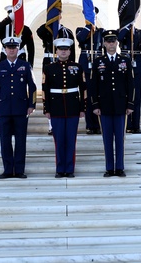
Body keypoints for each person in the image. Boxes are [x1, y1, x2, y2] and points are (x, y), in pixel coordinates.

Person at [89, 29, 134, 177]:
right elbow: (93, 85)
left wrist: (130, 104)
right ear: (104, 43)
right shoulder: (98, 62)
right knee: (107, 139)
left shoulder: (125, 61)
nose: (111, 44)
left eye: (113, 41)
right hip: (104, 106)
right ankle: (109, 168)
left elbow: (130, 84)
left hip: (121, 106)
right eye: (108, 41)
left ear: (117, 42)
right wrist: (95, 104)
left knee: (120, 138)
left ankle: (120, 167)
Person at [0, 37, 37, 178]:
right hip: (4, 108)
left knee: (20, 140)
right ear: (5, 50)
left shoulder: (25, 65)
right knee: (5, 140)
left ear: (18, 49)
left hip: (21, 108)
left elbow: (33, 87)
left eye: (14, 47)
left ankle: (19, 170)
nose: (11, 49)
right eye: (9, 47)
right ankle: (7, 169)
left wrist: (32, 105)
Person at [43, 36, 85, 177]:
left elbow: (83, 88)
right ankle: (60, 169)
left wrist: (82, 108)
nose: (63, 52)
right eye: (61, 49)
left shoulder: (77, 67)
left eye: (66, 49)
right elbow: (45, 90)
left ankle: (70, 169)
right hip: (56, 108)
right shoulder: (49, 68)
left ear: (69, 51)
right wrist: (46, 109)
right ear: (56, 51)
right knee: (59, 140)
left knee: (71, 140)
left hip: (73, 107)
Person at [36, 15, 75, 135]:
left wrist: (71, 65)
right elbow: (39, 31)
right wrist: (50, 20)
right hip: (49, 62)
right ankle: (51, 125)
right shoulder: (47, 30)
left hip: (63, 63)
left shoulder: (67, 31)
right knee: (48, 92)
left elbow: (71, 50)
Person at [75, 9, 103, 135]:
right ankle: (90, 125)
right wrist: (88, 26)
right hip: (86, 65)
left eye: (94, 16)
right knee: (87, 95)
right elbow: (80, 39)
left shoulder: (101, 32)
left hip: (98, 65)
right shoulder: (81, 30)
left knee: (98, 95)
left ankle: (98, 124)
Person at [118, 24, 141, 133]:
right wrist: (126, 27)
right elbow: (119, 38)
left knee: (137, 96)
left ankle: (136, 125)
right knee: (125, 95)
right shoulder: (122, 31)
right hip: (124, 65)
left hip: (138, 65)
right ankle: (127, 124)